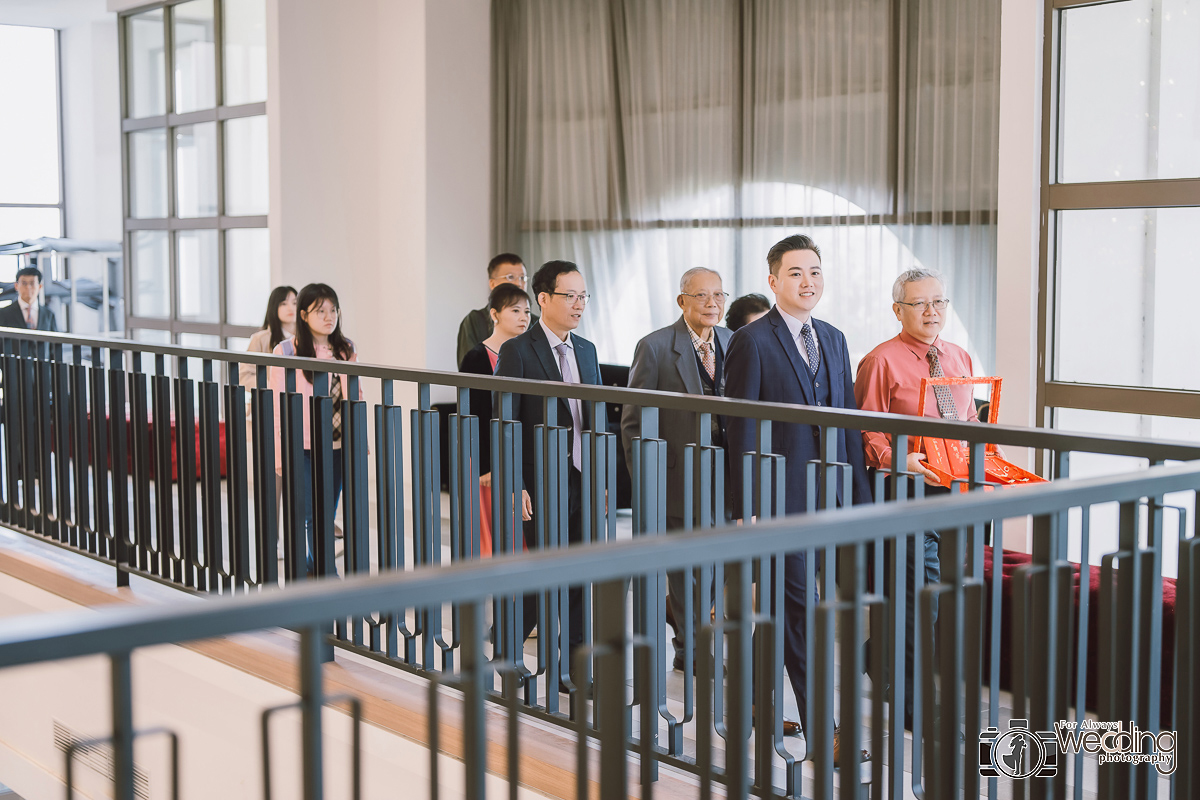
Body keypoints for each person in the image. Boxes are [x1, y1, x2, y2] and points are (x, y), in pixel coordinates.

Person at [725, 234, 872, 765]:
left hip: (828, 496)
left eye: (814, 272)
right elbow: (739, 427)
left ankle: (758, 706)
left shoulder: (832, 337)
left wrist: (857, 496)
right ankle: (824, 731)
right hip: (778, 498)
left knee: (801, 611)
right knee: (799, 610)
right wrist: (744, 505)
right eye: (795, 273)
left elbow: (848, 424)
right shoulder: (752, 341)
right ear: (773, 281)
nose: (807, 282)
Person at [853, 266, 977, 731]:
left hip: (955, 492)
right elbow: (864, 427)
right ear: (898, 310)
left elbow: (967, 421)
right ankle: (911, 703)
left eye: (939, 302)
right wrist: (898, 458)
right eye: (920, 303)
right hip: (906, 490)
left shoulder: (959, 356)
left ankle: (875, 655)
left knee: (941, 595)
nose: (932, 312)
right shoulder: (881, 360)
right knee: (918, 599)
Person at [494, 260, 605, 689]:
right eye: (570, 296)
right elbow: (507, 421)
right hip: (539, 480)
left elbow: (593, 420)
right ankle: (506, 656)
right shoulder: (519, 351)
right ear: (543, 299)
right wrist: (515, 481)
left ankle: (576, 671)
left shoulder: (588, 350)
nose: (579, 305)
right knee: (543, 576)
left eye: (583, 296)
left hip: (581, 477)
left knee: (578, 574)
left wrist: (602, 478)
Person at [620, 270, 736, 659]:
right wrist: (646, 481)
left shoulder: (732, 342)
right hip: (676, 475)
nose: (711, 304)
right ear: (681, 301)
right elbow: (634, 420)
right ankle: (691, 649)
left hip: (724, 473)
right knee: (685, 569)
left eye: (718, 295)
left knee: (716, 563)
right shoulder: (655, 347)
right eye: (701, 296)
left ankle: (695, 634)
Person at [268, 283, 360, 576]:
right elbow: (276, 407)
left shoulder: (346, 348)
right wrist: (280, 454)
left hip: (338, 445)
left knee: (326, 514)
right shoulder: (285, 351)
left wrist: (360, 438)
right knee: (312, 515)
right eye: (321, 311)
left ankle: (313, 568)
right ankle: (327, 574)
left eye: (333, 310)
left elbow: (356, 395)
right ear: (304, 315)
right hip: (303, 446)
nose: (329, 316)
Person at [458, 282, 532, 557]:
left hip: (519, 453)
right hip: (488, 459)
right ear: (494, 314)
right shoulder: (476, 357)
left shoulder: (526, 353)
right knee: (497, 533)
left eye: (527, 311)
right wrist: (485, 466)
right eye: (515, 310)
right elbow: (474, 416)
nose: (524, 317)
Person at [456, 253, 540, 365]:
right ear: (492, 283)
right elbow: (469, 371)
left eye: (522, 278)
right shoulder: (475, 320)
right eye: (510, 277)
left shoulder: (536, 323)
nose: (518, 284)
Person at [239, 285, 297, 389]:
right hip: (271, 399)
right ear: (274, 307)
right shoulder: (260, 339)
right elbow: (244, 376)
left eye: (295, 303)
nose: (291, 308)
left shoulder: (307, 338)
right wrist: (272, 385)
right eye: (284, 303)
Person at [0, 267, 59, 331]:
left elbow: (55, 340)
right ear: (16, 286)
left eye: (32, 283)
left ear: (40, 286)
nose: (28, 287)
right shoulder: (3, 314)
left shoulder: (49, 315)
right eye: (24, 283)